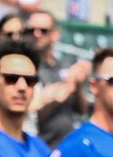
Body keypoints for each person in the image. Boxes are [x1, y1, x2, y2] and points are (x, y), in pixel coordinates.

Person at [27, 10, 91, 146]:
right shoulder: (27, 70)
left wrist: (77, 85)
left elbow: (82, 109)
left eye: (43, 30)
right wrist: (67, 85)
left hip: (68, 142)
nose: (36, 35)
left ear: (55, 34)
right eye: (30, 30)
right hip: (41, 144)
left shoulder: (65, 66)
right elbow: (32, 115)